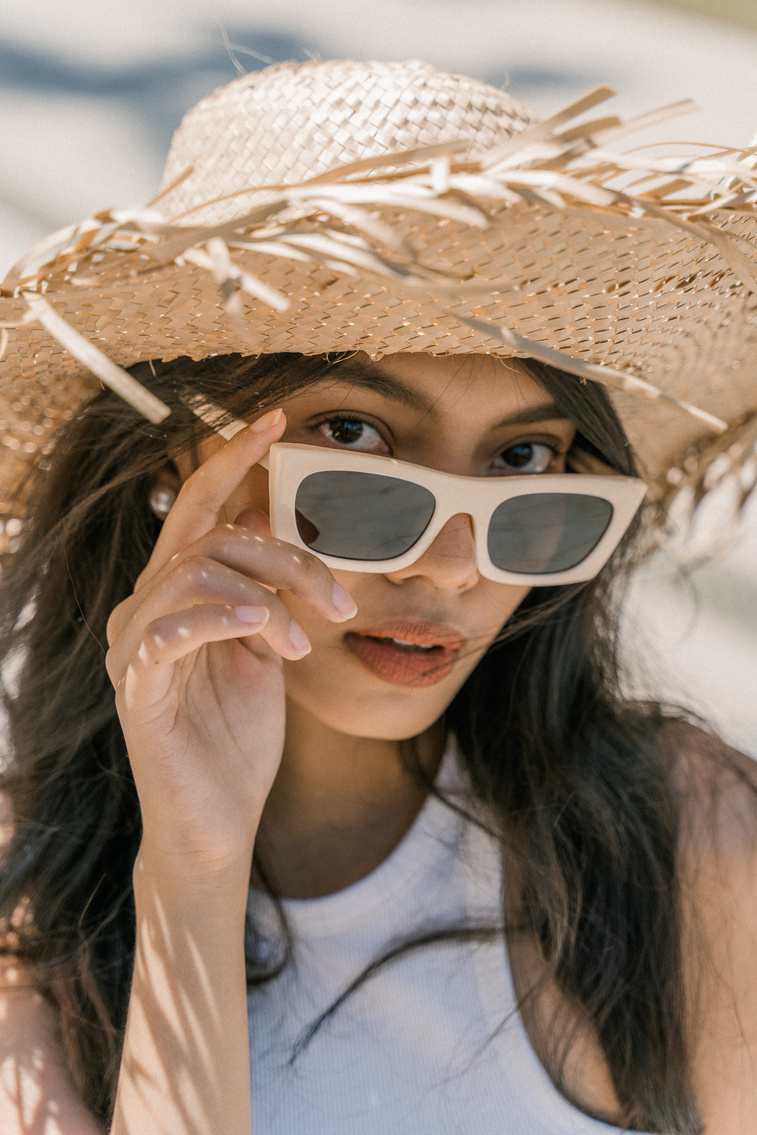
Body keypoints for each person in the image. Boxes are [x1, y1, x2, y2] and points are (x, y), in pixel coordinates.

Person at [0, 57, 756, 1135]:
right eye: (354, 444)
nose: (452, 564)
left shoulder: (696, 837)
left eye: (525, 459)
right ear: (176, 466)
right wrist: (192, 867)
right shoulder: (27, 905)